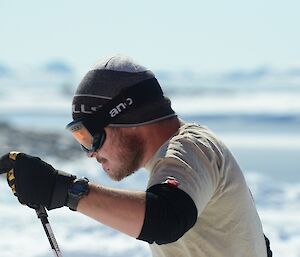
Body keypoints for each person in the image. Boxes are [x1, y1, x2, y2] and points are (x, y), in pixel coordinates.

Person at [0, 55, 272, 257]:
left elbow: (166, 218)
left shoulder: (190, 148)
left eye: (89, 136)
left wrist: (65, 191)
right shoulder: (179, 158)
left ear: (126, 118)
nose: (91, 153)